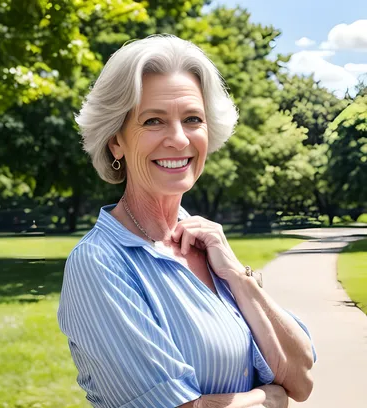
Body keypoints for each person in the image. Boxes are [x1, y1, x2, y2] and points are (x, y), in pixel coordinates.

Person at [57, 35, 315, 408]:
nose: (178, 139)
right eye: (153, 121)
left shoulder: (206, 245)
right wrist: (269, 399)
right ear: (116, 142)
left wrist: (239, 279)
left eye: (192, 119)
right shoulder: (98, 264)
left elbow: (302, 380)